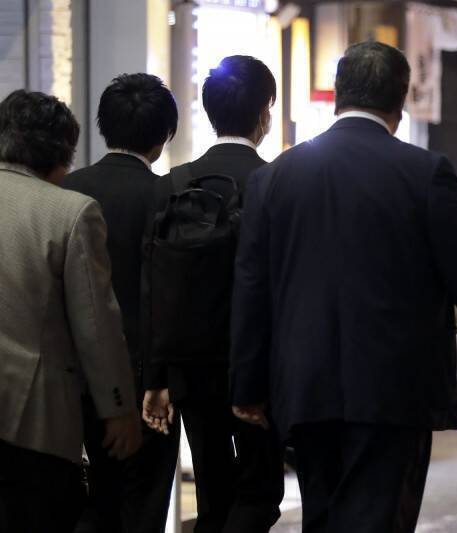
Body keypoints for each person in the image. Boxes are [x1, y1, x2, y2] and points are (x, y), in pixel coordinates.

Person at [229, 41, 457, 533]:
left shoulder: (275, 177)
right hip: (394, 387)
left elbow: (252, 285)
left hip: (304, 384)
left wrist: (246, 384)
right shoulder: (424, 172)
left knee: (323, 516)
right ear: (400, 100)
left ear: (339, 94)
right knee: (380, 517)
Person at [141, 55, 285, 532]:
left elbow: (153, 285)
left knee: (211, 486)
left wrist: (156, 376)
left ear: (208, 113)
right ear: (264, 113)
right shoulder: (276, 182)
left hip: (190, 363)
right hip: (259, 365)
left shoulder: (173, 185)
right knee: (261, 490)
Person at [0, 90, 142, 533]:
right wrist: (118, 408)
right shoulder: (70, 212)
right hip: (32, 423)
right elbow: (96, 325)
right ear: (63, 152)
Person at [63, 73, 180, 533]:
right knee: (143, 504)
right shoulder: (168, 196)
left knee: (87, 503)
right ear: (164, 135)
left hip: (72, 378)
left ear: (103, 126)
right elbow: (170, 296)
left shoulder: (66, 190)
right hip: (147, 382)